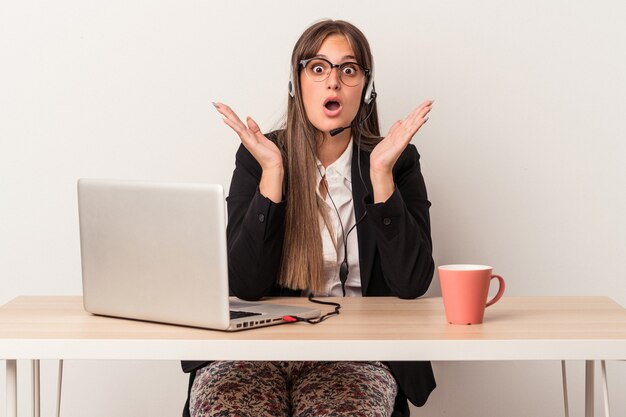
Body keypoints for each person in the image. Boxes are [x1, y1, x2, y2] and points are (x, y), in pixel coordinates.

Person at [182, 19, 435, 417]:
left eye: (348, 70)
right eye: (318, 68)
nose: (333, 82)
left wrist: (382, 176)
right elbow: (245, 284)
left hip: (356, 355)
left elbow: (412, 284)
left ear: (366, 89)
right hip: (254, 352)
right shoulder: (260, 156)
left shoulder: (396, 160)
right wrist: (272, 175)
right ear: (295, 84)